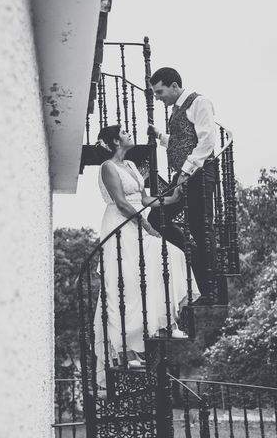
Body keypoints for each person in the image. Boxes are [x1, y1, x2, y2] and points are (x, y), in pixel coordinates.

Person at [93, 124, 199, 384]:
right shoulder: (108, 167)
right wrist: (148, 226)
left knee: (169, 258)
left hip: (136, 221)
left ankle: (166, 324)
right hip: (120, 224)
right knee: (125, 284)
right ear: (116, 141)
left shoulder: (129, 165)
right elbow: (121, 202)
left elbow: (142, 199)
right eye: (125, 133)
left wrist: (170, 199)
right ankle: (124, 350)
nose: (130, 135)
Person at [147, 67, 217, 305]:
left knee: (201, 226)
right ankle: (193, 255)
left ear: (174, 86)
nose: (157, 97)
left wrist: (185, 172)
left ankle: (209, 288)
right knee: (157, 218)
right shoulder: (177, 109)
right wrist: (159, 136)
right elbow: (182, 141)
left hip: (200, 173)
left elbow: (206, 141)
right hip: (186, 174)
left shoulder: (200, 102)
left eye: (159, 91)